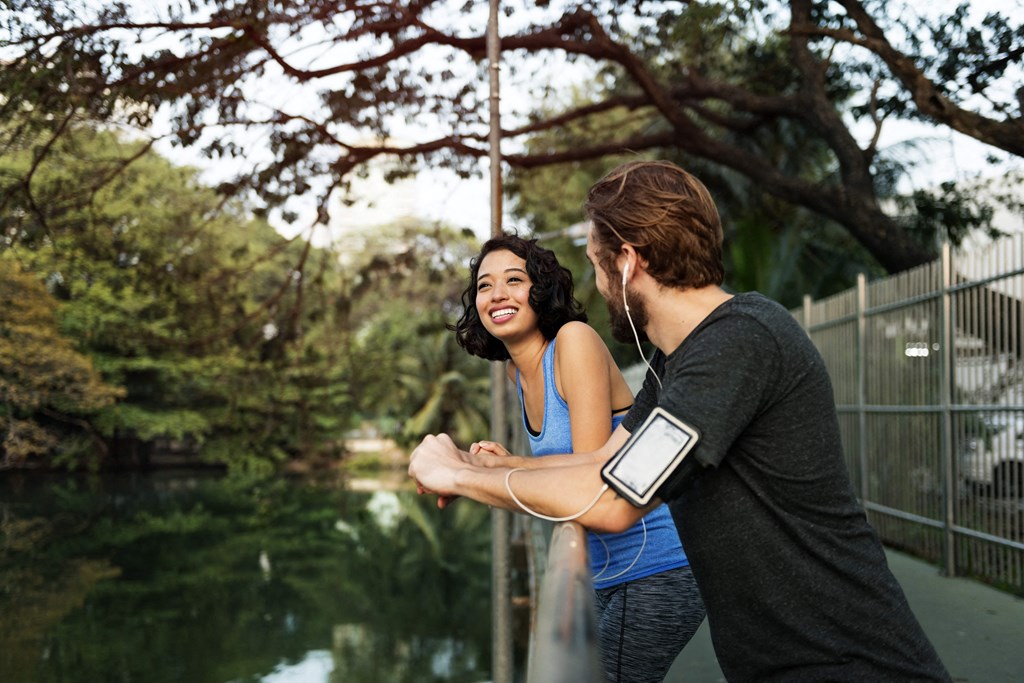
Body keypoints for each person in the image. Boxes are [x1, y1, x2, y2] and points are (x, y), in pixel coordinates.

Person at [409, 160, 952, 683]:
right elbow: (602, 463)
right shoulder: (676, 362)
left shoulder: (739, 343)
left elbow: (612, 501)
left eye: (597, 264)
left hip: (851, 664)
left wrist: (457, 476)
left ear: (627, 261)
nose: (599, 286)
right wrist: (478, 467)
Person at [449, 231, 705, 683]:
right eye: (485, 285)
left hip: (656, 566)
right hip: (605, 571)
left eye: (514, 279)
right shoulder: (516, 372)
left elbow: (591, 477)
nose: (498, 294)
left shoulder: (573, 341)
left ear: (541, 289)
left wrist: (495, 470)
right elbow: (565, 468)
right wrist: (508, 461)